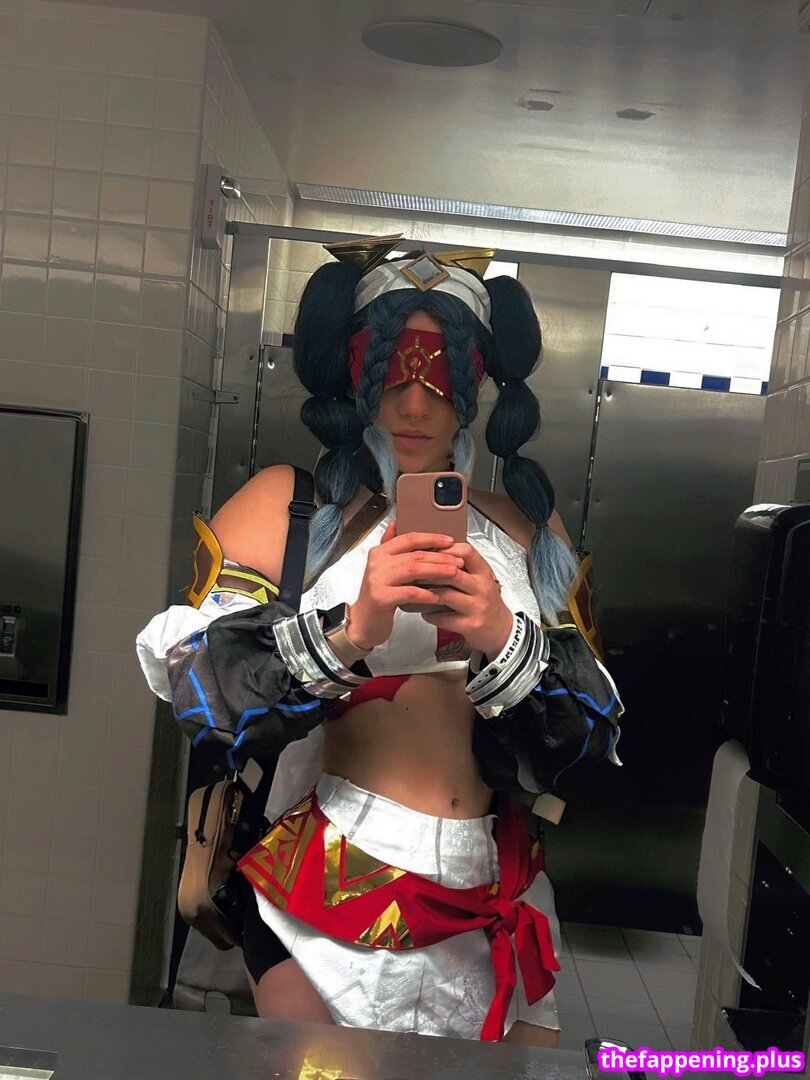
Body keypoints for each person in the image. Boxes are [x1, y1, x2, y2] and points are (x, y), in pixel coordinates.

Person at [136, 239, 622, 1046]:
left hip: (495, 896)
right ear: (355, 376)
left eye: (440, 379)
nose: (415, 407)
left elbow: (592, 729)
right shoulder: (287, 509)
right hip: (323, 894)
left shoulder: (524, 533)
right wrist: (350, 631)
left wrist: (501, 634)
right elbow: (193, 680)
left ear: (475, 385)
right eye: (391, 376)